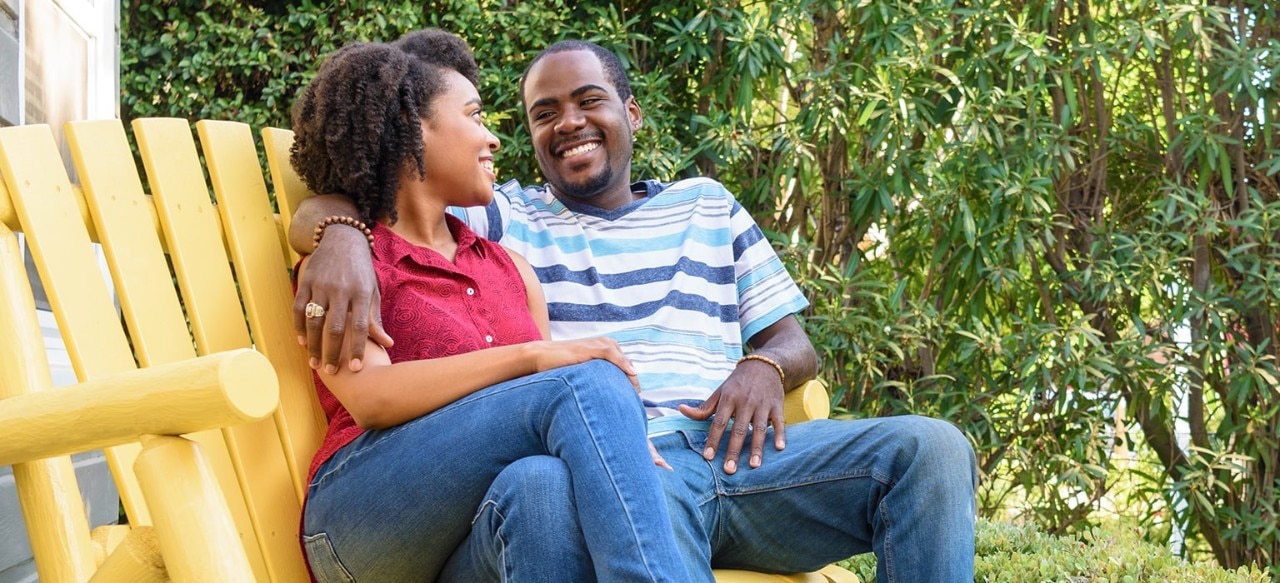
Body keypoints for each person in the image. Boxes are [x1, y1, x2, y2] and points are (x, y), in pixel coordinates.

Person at [292, 35, 980, 582]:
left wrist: (765, 364)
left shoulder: (698, 205)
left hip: (730, 452)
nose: (566, 123)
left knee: (933, 449)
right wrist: (338, 234)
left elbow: (792, 338)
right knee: (566, 433)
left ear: (632, 112)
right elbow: (385, 189)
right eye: (539, 114)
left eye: (589, 100)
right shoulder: (508, 216)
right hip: (619, 462)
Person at [288, 30, 695, 582]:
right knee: (587, 379)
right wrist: (531, 360)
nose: (493, 139)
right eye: (475, 116)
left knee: (541, 488)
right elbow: (372, 400)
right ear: (412, 130)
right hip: (361, 519)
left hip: (469, 540)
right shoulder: (348, 268)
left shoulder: (510, 269)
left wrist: (608, 444)